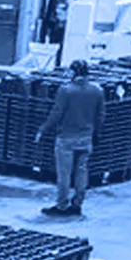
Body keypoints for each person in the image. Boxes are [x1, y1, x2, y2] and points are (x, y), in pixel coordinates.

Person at [35, 59, 106, 218]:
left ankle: (61, 205)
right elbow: (101, 117)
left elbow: (56, 114)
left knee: (64, 174)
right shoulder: (97, 90)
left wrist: (42, 129)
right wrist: (96, 135)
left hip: (66, 139)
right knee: (82, 172)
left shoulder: (66, 90)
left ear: (74, 72)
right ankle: (77, 204)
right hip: (86, 138)